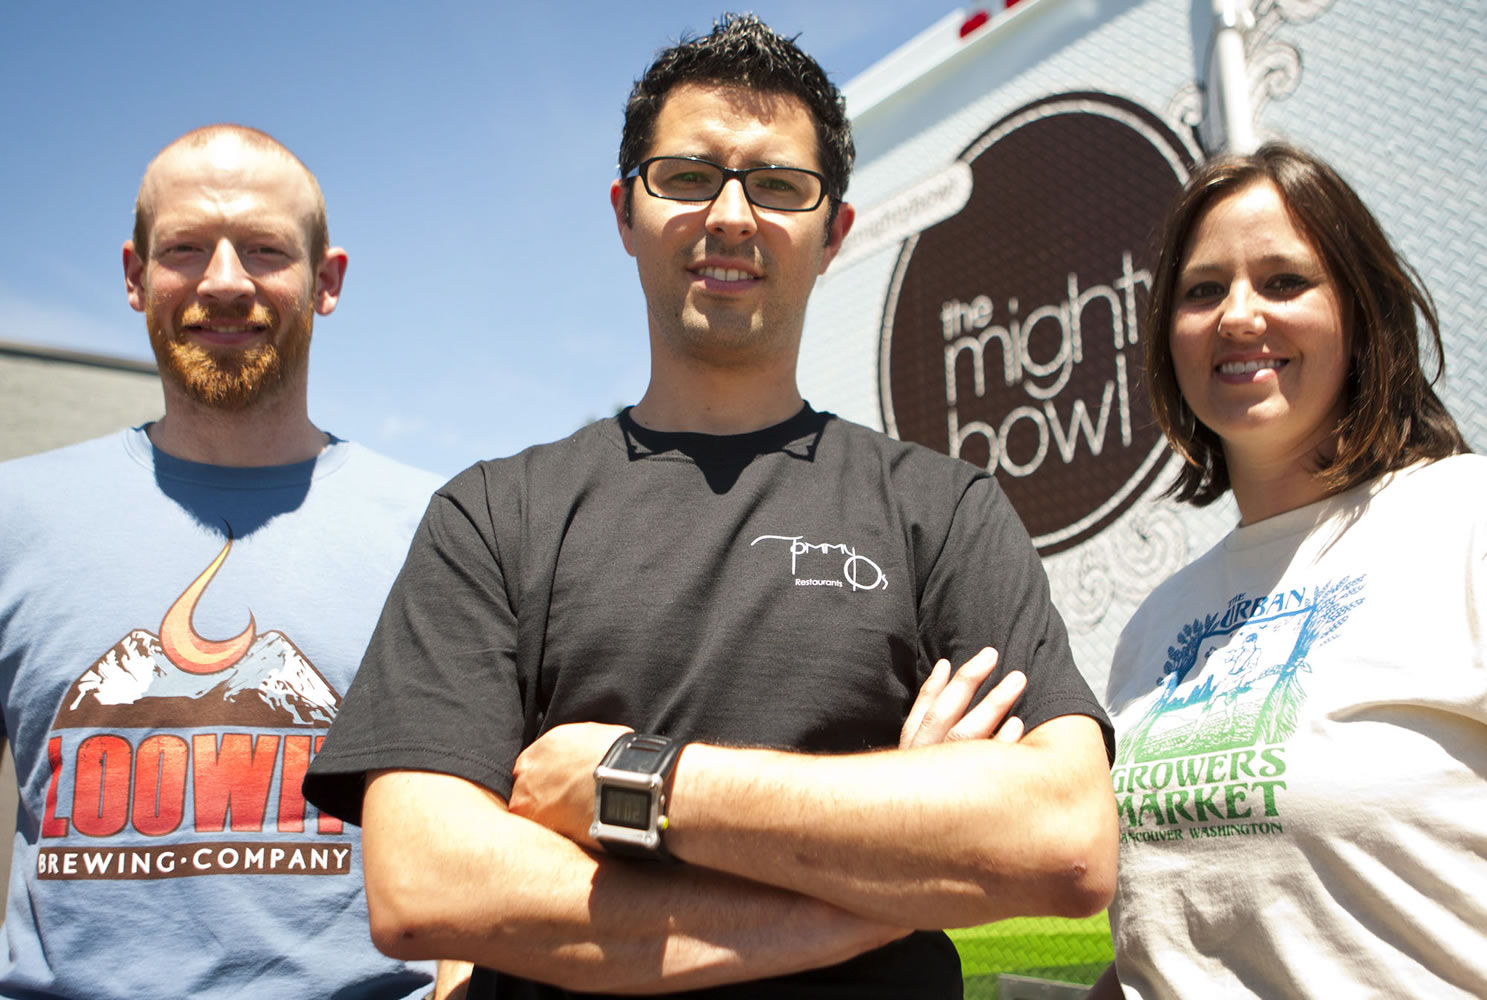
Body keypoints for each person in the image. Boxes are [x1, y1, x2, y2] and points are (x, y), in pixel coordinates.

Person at [304, 14, 1117, 999]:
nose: (730, 214)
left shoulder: (940, 512)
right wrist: (884, 873)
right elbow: (425, 884)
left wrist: (631, 783)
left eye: (776, 185)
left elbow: (1063, 841)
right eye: (687, 177)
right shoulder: (492, 515)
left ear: (835, 235)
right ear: (624, 212)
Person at [0, 125, 439, 998]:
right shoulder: (16, 517)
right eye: (187, 248)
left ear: (327, 281)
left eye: (266, 249)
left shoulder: (439, 528)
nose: (226, 281)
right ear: (136, 277)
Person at [1090, 142, 1485, 998]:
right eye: (1201, 291)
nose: (1237, 316)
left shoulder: (1465, 522)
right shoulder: (1154, 625)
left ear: (1361, 313)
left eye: (1282, 282)